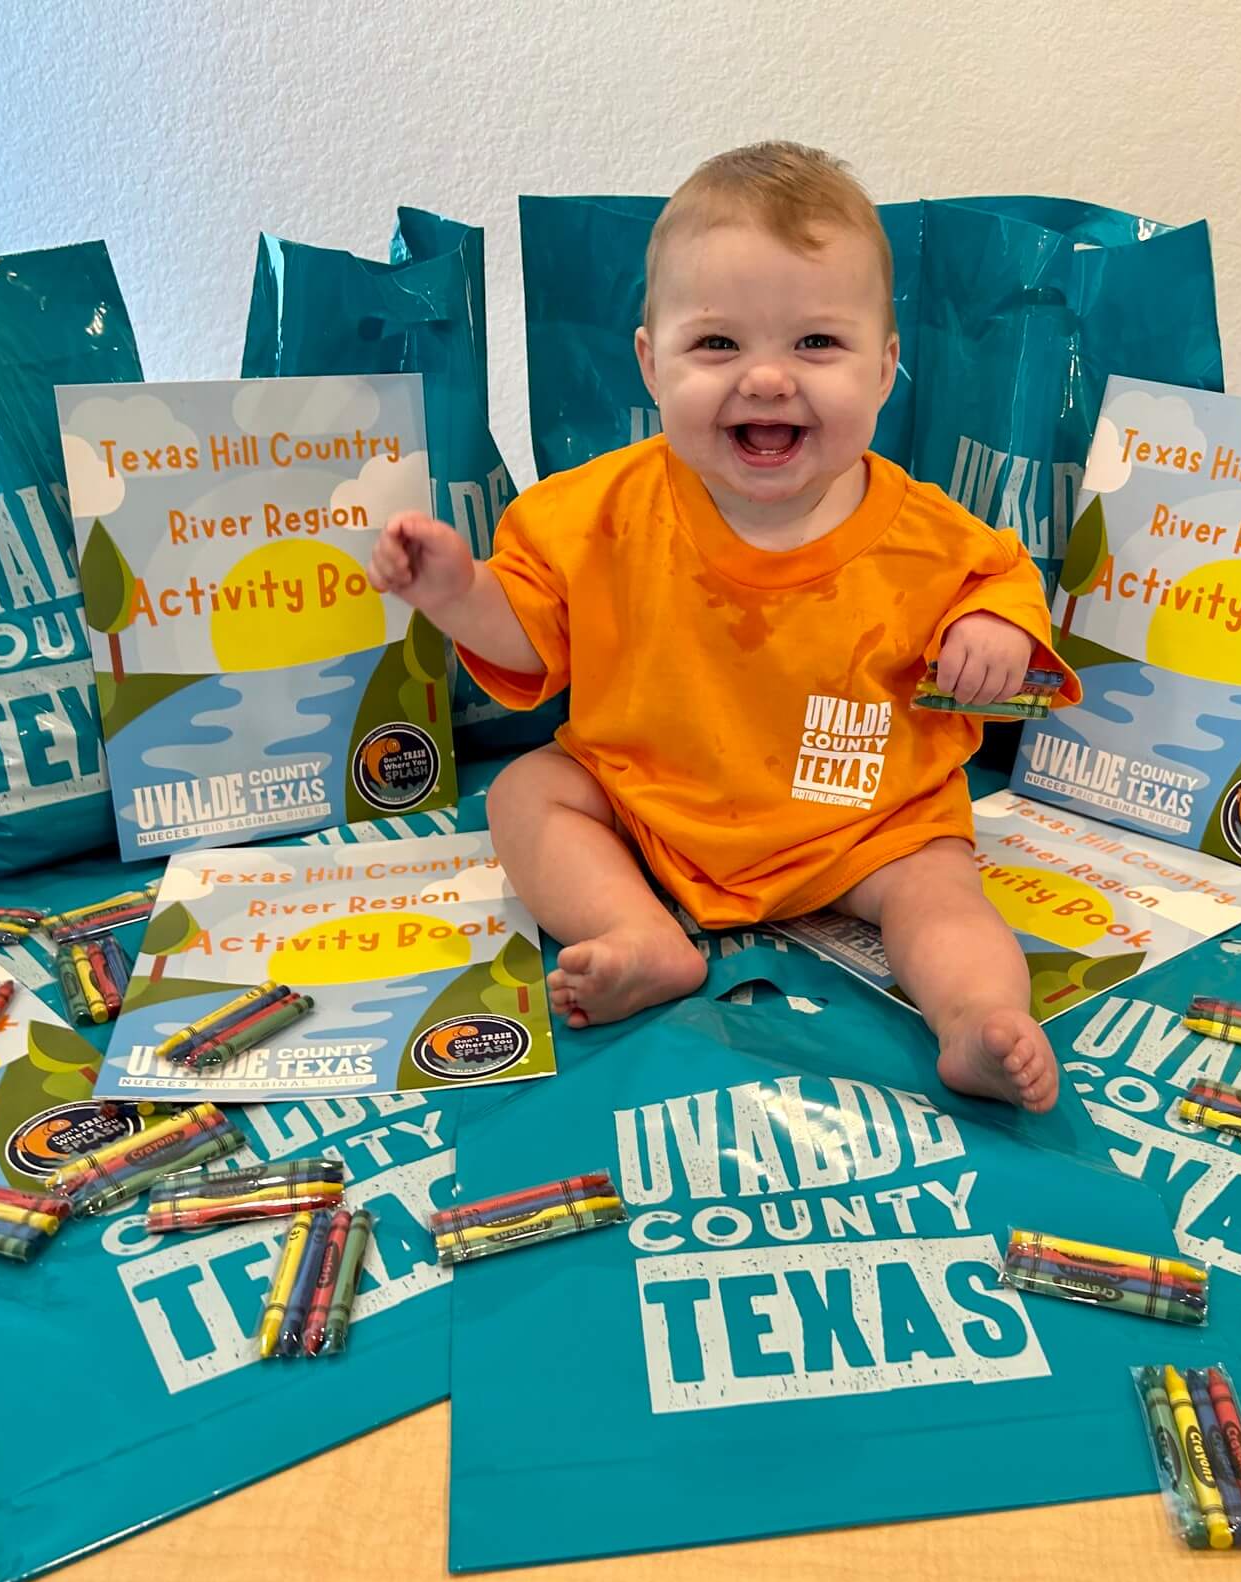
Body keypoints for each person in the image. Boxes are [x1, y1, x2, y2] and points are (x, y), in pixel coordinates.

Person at [370, 142, 1078, 1110]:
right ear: (648, 365)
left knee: (941, 897)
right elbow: (526, 637)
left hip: (870, 822)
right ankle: (636, 933)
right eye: (717, 345)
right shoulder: (598, 509)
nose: (767, 379)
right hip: (652, 802)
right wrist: (457, 593)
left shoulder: (924, 531)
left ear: (884, 368)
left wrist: (993, 631)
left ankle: (976, 1022)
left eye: (815, 344)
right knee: (528, 793)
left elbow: (1004, 579)